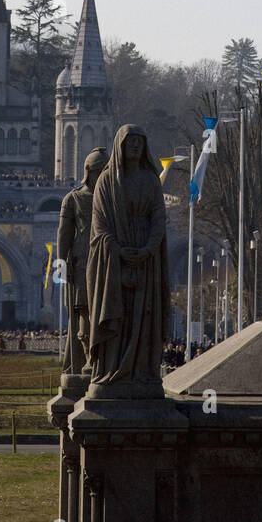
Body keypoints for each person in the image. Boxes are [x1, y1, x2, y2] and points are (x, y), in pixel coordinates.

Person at [87, 125, 169, 396]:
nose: (134, 145)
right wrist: (118, 250)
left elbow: (159, 217)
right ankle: (112, 369)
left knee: (144, 315)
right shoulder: (106, 181)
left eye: (139, 141)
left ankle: (143, 372)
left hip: (147, 257)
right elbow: (99, 225)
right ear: (119, 145)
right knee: (119, 313)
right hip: (115, 258)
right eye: (129, 141)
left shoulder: (151, 179)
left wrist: (148, 248)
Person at [57, 147, 108, 377]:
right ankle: (88, 358)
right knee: (85, 311)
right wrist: (61, 263)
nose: (103, 177)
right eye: (99, 172)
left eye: (106, 171)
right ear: (89, 172)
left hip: (107, 260)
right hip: (82, 262)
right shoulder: (73, 198)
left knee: (106, 309)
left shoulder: (110, 199)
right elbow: (64, 234)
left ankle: (105, 357)